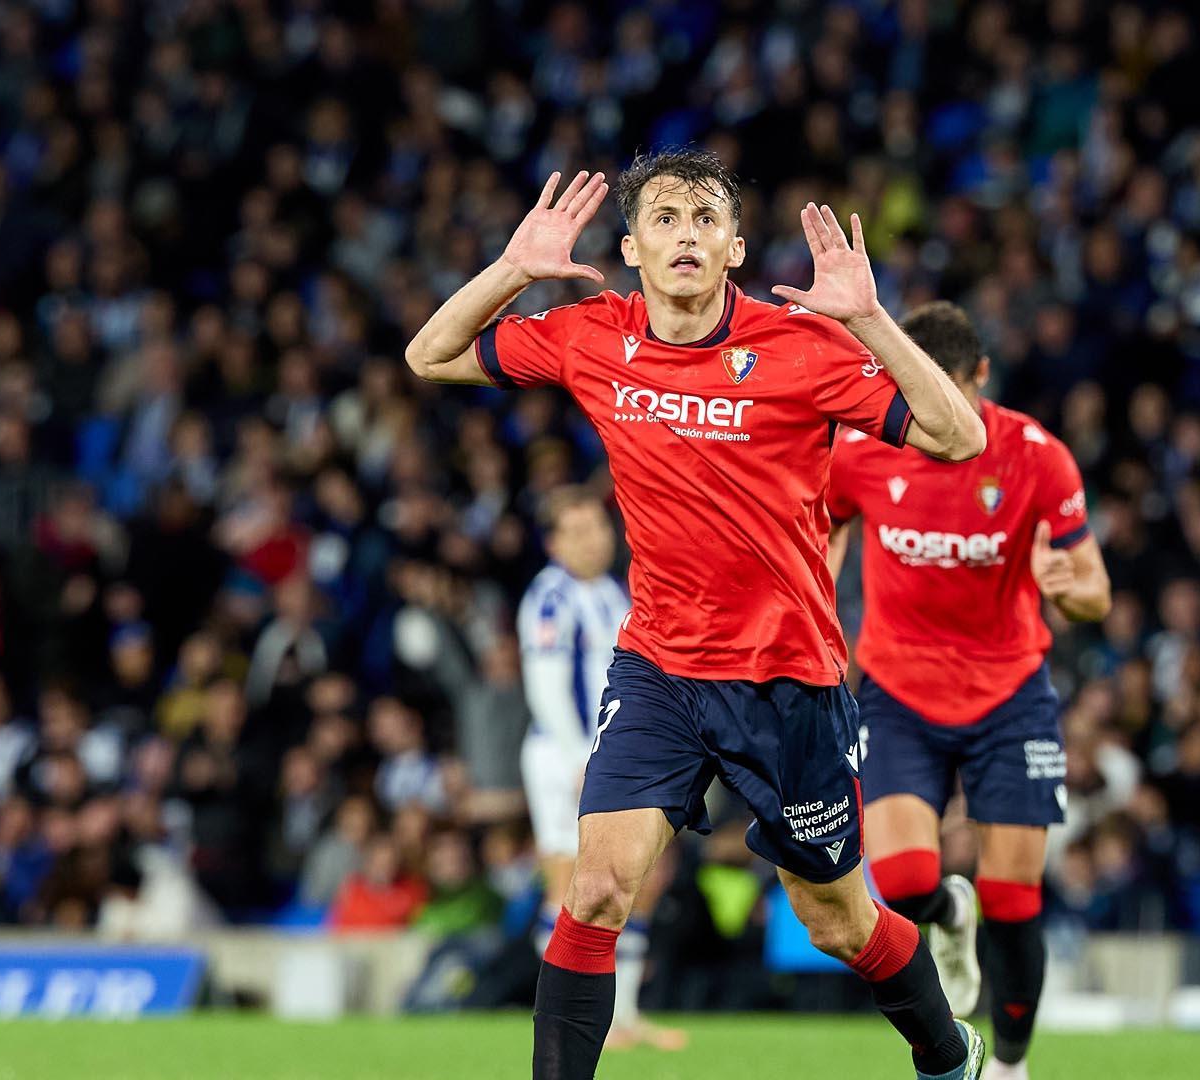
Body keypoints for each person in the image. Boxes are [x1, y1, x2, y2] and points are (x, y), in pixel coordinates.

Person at [406, 149, 987, 1080]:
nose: (687, 234)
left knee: (838, 920)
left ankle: (949, 1054)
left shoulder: (803, 346)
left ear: (735, 247)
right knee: (594, 892)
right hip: (662, 670)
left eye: (706, 218)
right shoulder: (592, 334)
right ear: (631, 247)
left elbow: (960, 436)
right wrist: (515, 270)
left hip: (790, 678)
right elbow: (428, 354)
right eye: (666, 218)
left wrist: (872, 318)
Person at [827, 302, 1111, 1079]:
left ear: (979, 378)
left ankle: (1012, 1068)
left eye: (947, 392)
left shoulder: (1036, 456)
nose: (933, 413)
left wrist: (1067, 586)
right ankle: (950, 913)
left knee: (1015, 895)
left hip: (1009, 697)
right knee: (907, 884)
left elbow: (1097, 592)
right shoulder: (864, 452)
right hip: (899, 694)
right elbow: (826, 524)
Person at [517, 486, 684, 1050]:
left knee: (645, 880)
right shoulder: (549, 599)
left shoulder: (617, 593)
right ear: (554, 541)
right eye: (579, 530)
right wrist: (576, 760)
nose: (595, 540)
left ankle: (624, 1016)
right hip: (564, 757)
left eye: (599, 527)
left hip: (616, 755)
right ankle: (562, 1019)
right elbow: (544, 688)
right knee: (569, 884)